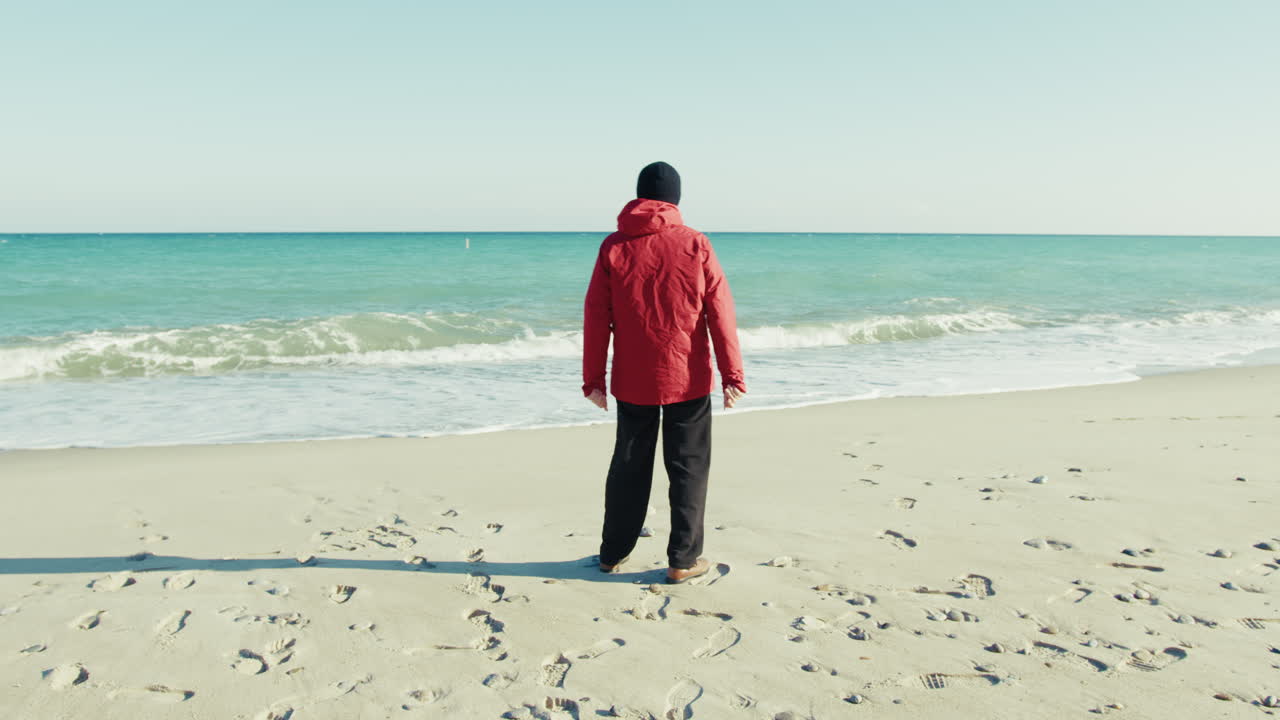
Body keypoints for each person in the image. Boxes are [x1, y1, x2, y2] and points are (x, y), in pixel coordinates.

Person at [582, 161, 746, 584]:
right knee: (688, 467)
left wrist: (594, 379)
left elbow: (596, 317)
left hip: (632, 380)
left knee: (628, 466)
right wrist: (732, 375)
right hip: (686, 376)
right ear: (675, 199)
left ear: (638, 196)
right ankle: (683, 561)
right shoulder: (696, 244)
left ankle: (612, 554)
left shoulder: (614, 246)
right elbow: (720, 313)